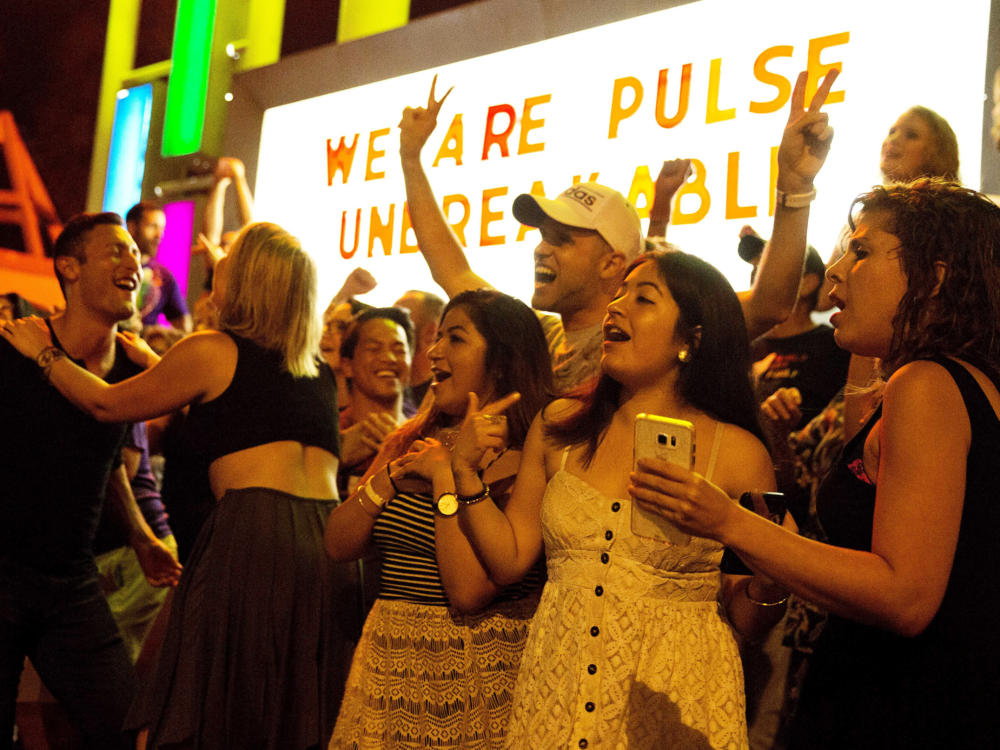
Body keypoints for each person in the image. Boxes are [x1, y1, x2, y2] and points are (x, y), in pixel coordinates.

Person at [638, 180, 1000, 749]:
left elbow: (904, 596)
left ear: (934, 277)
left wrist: (729, 522)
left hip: (906, 708)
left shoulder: (927, 384)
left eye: (860, 252)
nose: (833, 274)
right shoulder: (943, 381)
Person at [2, 221, 359, 749]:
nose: (218, 258)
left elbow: (106, 404)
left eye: (231, 252)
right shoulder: (317, 371)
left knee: (215, 712)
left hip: (253, 538)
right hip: (327, 546)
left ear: (251, 277)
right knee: (286, 712)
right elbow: (245, 419)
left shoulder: (211, 349)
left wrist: (44, 353)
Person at [453, 250, 788, 748]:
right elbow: (509, 559)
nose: (616, 307)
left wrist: (769, 578)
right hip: (557, 690)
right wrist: (463, 475)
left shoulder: (740, 453)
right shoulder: (560, 424)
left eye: (643, 298)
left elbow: (748, 617)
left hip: (675, 698)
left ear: (691, 340)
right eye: (618, 295)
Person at [325, 289, 553, 750]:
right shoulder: (411, 439)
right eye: (437, 337)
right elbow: (337, 542)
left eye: (455, 338)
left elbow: (467, 592)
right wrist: (390, 475)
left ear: (502, 361)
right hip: (388, 662)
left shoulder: (523, 458)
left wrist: (448, 477)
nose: (433, 352)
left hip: (466, 674)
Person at [0, 212, 181, 749]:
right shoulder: (16, 348)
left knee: (126, 730)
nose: (135, 263)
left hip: (69, 584)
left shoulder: (130, 369)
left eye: (137, 254)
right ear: (69, 268)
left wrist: (139, 535)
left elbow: (105, 465)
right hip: (1, 570)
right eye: (117, 251)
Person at [336, 306, 414, 496]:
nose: (388, 358)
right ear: (347, 365)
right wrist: (336, 456)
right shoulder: (329, 434)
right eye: (374, 348)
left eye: (399, 350)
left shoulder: (426, 435)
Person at [126, 201, 192, 332]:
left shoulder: (163, 275)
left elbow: (185, 326)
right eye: (152, 226)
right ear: (132, 227)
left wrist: (159, 334)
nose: (159, 235)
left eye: (162, 228)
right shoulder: (111, 267)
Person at [394, 288, 445, 409]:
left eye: (402, 318)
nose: (390, 325)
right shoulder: (386, 386)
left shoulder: (443, 394)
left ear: (430, 331)